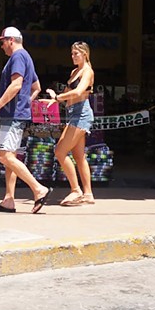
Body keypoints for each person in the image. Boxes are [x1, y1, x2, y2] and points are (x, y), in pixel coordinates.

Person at [0, 26, 52, 213]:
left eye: (2, 42)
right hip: (16, 113)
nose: (1, 46)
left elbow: (16, 85)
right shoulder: (26, 57)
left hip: (12, 115)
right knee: (10, 157)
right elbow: (36, 86)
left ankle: (39, 189)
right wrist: (24, 103)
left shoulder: (18, 57)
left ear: (11, 40)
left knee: (4, 156)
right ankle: (9, 199)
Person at [45, 41, 96, 206]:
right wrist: (55, 98)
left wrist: (58, 98)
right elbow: (67, 93)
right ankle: (88, 194)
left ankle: (76, 190)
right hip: (73, 113)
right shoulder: (75, 71)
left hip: (81, 114)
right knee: (79, 156)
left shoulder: (87, 72)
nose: (73, 56)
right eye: (72, 53)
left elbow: (79, 91)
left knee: (60, 151)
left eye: (76, 53)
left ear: (85, 54)